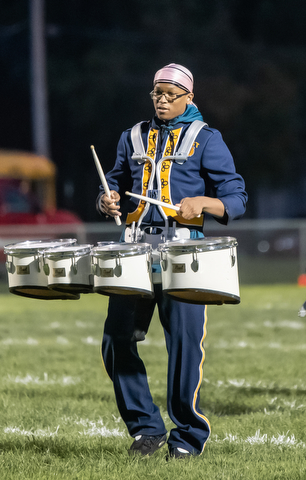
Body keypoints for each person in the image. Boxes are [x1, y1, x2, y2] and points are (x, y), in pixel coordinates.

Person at [97, 63, 247, 458]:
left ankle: (188, 437)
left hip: (184, 254)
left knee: (183, 346)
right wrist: (107, 197)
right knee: (116, 340)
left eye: (170, 94)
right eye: (156, 93)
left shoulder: (206, 139)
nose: (162, 100)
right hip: (134, 250)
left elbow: (236, 197)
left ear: (188, 97)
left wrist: (205, 202)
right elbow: (116, 183)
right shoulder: (132, 136)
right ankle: (146, 428)